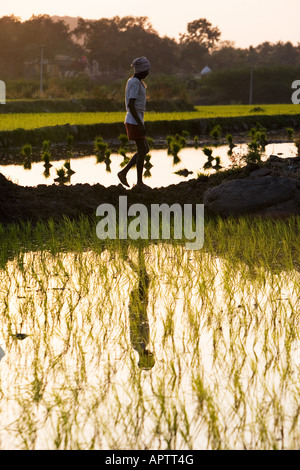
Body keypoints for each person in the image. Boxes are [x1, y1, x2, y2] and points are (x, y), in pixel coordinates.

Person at [118, 57, 151, 189]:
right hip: (134, 120)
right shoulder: (135, 83)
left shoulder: (135, 81)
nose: (148, 73)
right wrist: (140, 124)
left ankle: (124, 172)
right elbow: (131, 105)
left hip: (136, 119)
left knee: (145, 149)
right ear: (141, 70)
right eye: (147, 70)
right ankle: (139, 183)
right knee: (142, 150)